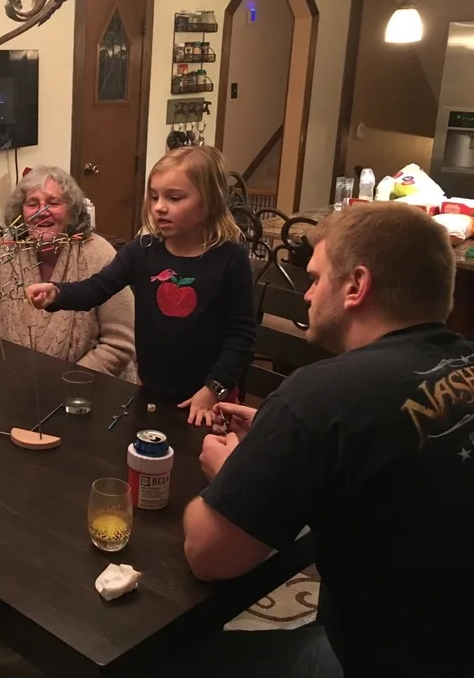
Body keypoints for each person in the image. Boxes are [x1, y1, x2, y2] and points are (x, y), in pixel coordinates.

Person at [182, 202, 472, 678]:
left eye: (315, 279)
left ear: (356, 286)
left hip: (382, 663)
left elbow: (208, 554)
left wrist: (236, 467)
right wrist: (282, 438)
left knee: (162, 660)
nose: (308, 295)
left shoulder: (321, 395)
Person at [27, 147, 256, 425]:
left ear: (208, 202)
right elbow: (97, 288)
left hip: (210, 399)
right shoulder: (143, 251)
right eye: (155, 196)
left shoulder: (230, 259)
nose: (159, 206)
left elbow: (242, 336)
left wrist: (213, 390)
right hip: (152, 392)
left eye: (174, 198)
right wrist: (57, 293)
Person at [0, 166, 137, 381]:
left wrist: (66, 382)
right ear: (21, 213)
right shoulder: (4, 252)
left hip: (89, 390)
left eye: (53, 203)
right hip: (16, 387)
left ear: (71, 212)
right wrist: (10, 374)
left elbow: (119, 343)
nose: (42, 211)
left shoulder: (98, 253)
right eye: (33, 204)